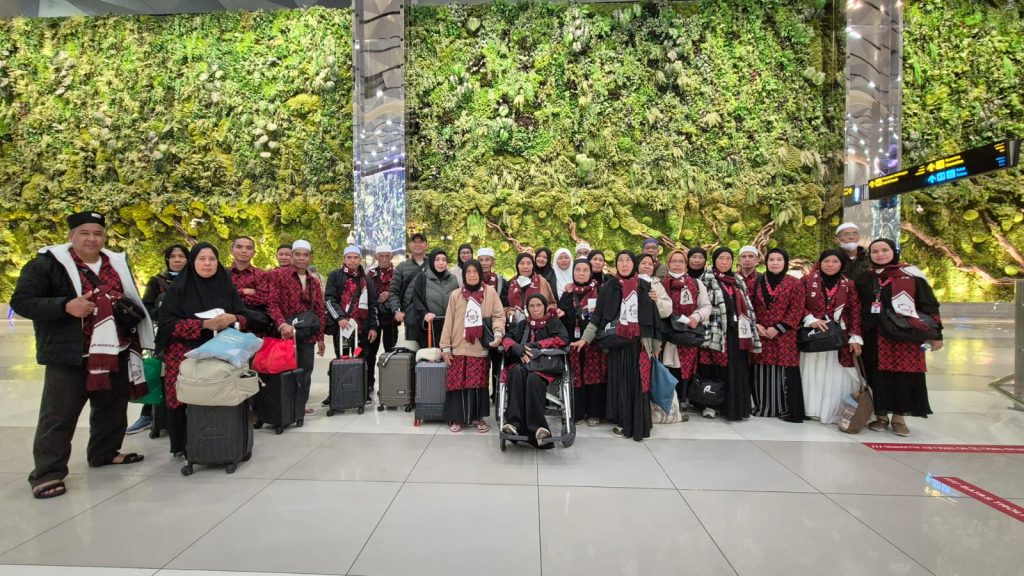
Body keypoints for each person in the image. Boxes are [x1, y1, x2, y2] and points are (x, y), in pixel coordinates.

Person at [12, 212, 153, 499]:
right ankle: (48, 473)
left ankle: (104, 452)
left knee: (112, 408)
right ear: (71, 235)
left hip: (115, 349)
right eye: (85, 233)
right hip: (71, 354)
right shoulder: (48, 264)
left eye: (98, 233)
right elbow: (22, 302)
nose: (92, 239)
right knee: (59, 414)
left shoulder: (115, 263)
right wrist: (65, 306)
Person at [157, 243, 249, 457]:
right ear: (193, 262)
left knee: (220, 394)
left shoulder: (226, 287)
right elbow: (168, 325)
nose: (207, 264)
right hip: (184, 354)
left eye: (212, 259)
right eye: (202, 259)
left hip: (221, 352)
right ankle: (184, 445)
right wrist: (204, 325)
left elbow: (245, 317)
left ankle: (222, 440)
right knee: (184, 396)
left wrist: (233, 318)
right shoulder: (178, 289)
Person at [856, 239, 943, 437]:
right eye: (875, 251)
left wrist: (936, 334)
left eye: (884, 250)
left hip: (905, 335)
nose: (880, 254)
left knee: (904, 376)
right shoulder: (865, 278)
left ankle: (899, 418)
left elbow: (929, 305)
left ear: (893, 252)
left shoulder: (911, 275)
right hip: (874, 335)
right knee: (876, 375)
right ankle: (881, 416)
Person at [571, 251, 658, 441]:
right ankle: (622, 422)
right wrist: (585, 339)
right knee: (619, 385)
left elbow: (653, 319)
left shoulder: (644, 286)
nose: (624, 264)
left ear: (634, 264)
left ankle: (640, 424)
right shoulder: (609, 287)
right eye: (620, 261)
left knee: (639, 385)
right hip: (617, 345)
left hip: (639, 346)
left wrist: (655, 347)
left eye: (628, 260)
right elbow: (598, 316)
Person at [439, 260, 505, 433]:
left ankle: (477, 418)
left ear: (480, 274)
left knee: (477, 384)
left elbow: (498, 315)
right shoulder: (456, 295)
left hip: (479, 346)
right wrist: (445, 346)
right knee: (457, 384)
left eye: (475, 271)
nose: (472, 275)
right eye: (468, 272)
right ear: (464, 275)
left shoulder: (490, 293)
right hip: (458, 346)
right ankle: (457, 418)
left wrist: (498, 332)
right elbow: (449, 321)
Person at [128, 243, 187, 435]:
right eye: (173, 257)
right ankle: (147, 415)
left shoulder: (194, 281)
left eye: (181, 256)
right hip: (163, 336)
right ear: (167, 260)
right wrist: (162, 316)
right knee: (157, 375)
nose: (177, 260)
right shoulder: (157, 281)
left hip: (188, 334)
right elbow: (146, 307)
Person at [697, 247, 761, 420]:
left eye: (728, 259)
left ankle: (734, 408)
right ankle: (711, 404)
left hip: (738, 333)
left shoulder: (737, 280)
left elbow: (747, 306)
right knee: (714, 368)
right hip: (716, 332)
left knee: (736, 369)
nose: (724, 262)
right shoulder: (706, 280)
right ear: (714, 261)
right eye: (721, 258)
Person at [801, 249, 864, 424]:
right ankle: (810, 408)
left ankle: (833, 411)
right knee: (813, 372)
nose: (830, 265)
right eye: (826, 261)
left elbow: (855, 310)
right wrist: (810, 319)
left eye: (835, 262)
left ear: (842, 264)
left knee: (835, 374)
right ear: (820, 263)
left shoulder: (849, 284)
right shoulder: (807, 281)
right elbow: (798, 303)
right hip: (814, 336)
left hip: (837, 337)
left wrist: (855, 336)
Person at [267, 239, 327, 416]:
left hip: (307, 334)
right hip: (284, 334)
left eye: (305, 255)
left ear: (310, 257)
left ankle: (300, 405)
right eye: (298, 254)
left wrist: (320, 338)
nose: (301, 258)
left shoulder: (313, 281)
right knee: (283, 370)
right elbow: (272, 304)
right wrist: (282, 324)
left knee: (305, 370)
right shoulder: (278, 276)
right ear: (292, 256)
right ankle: (284, 407)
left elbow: (319, 310)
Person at [501, 294, 570, 447]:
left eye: (539, 305)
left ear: (544, 307)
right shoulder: (523, 325)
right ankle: (513, 424)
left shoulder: (553, 322)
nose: (535, 309)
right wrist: (515, 346)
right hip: (523, 366)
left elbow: (563, 339)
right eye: (531, 306)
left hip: (544, 367)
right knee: (515, 372)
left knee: (533, 378)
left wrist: (538, 345)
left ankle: (539, 427)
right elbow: (506, 339)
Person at [751, 248, 806, 422]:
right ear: (766, 262)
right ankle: (763, 407)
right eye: (771, 259)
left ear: (785, 262)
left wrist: (778, 328)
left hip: (785, 336)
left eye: (779, 259)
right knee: (762, 371)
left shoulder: (794, 283)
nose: (775, 263)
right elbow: (748, 306)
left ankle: (784, 408)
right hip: (761, 334)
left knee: (784, 372)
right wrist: (756, 324)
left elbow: (797, 309)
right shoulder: (756, 282)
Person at [660, 249, 712, 412]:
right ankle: (667, 400)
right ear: (668, 263)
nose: (677, 264)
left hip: (688, 331)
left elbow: (706, 306)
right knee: (666, 365)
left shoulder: (696, 284)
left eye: (681, 261)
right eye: (674, 261)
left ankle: (683, 399)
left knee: (685, 367)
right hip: (666, 333)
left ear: (686, 264)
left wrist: (696, 317)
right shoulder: (660, 284)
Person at [325, 246, 379, 400]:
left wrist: (373, 327)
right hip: (343, 328)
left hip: (361, 330)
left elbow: (372, 305)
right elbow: (329, 299)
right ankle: (339, 393)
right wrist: (340, 318)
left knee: (360, 358)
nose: (352, 261)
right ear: (344, 259)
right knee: (342, 359)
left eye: (356, 257)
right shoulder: (335, 276)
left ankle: (361, 392)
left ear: (360, 259)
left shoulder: (366, 280)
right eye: (349, 257)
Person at [559, 259, 607, 426]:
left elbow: (603, 315)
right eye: (577, 270)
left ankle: (594, 413)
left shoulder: (599, 291)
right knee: (575, 376)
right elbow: (562, 314)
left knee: (594, 376)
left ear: (590, 273)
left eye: (585, 270)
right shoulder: (567, 292)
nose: (581, 273)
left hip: (593, 341)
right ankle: (577, 413)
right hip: (573, 341)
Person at [409, 248, 460, 348]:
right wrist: (425, 313)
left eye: (444, 260)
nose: (441, 263)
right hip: (430, 325)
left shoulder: (453, 279)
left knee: (449, 353)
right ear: (431, 261)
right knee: (432, 354)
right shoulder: (423, 277)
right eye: (437, 260)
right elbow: (417, 299)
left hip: (450, 325)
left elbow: (458, 299)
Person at [478, 247, 508, 394]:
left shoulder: (500, 281)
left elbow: (505, 303)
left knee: (497, 362)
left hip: (496, 326)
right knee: (480, 363)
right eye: (481, 260)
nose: (484, 263)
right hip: (478, 326)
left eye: (487, 260)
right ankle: (481, 396)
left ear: (493, 262)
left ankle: (496, 395)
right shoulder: (472, 280)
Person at [388, 232, 429, 342]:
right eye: (414, 242)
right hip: (411, 315)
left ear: (426, 245)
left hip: (430, 314)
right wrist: (397, 310)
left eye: (421, 242)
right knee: (412, 347)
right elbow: (394, 291)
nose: (417, 244)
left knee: (430, 349)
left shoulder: (433, 265)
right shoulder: (402, 267)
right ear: (410, 246)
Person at [229, 236, 272, 336]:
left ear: (254, 253)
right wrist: (244, 291)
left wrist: (233, 296)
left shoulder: (262, 275)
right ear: (231, 250)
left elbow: (262, 299)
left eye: (248, 248)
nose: (244, 251)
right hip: (227, 327)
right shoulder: (222, 274)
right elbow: (220, 297)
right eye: (239, 247)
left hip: (254, 327)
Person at [506, 252, 557, 324]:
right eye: (522, 263)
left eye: (529, 263)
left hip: (541, 324)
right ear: (517, 266)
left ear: (533, 265)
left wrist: (546, 312)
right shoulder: (510, 283)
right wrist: (508, 311)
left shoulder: (542, 281)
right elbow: (503, 306)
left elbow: (552, 303)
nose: (525, 266)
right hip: (516, 325)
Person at [368, 245, 399, 354]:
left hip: (391, 318)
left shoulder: (397, 273)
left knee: (390, 352)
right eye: (381, 256)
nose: (384, 259)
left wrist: (390, 293)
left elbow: (405, 292)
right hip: (373, 318)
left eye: (387, 256)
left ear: (391, 257)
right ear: (376, 257)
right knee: (370, 352)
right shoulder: (370, 274)